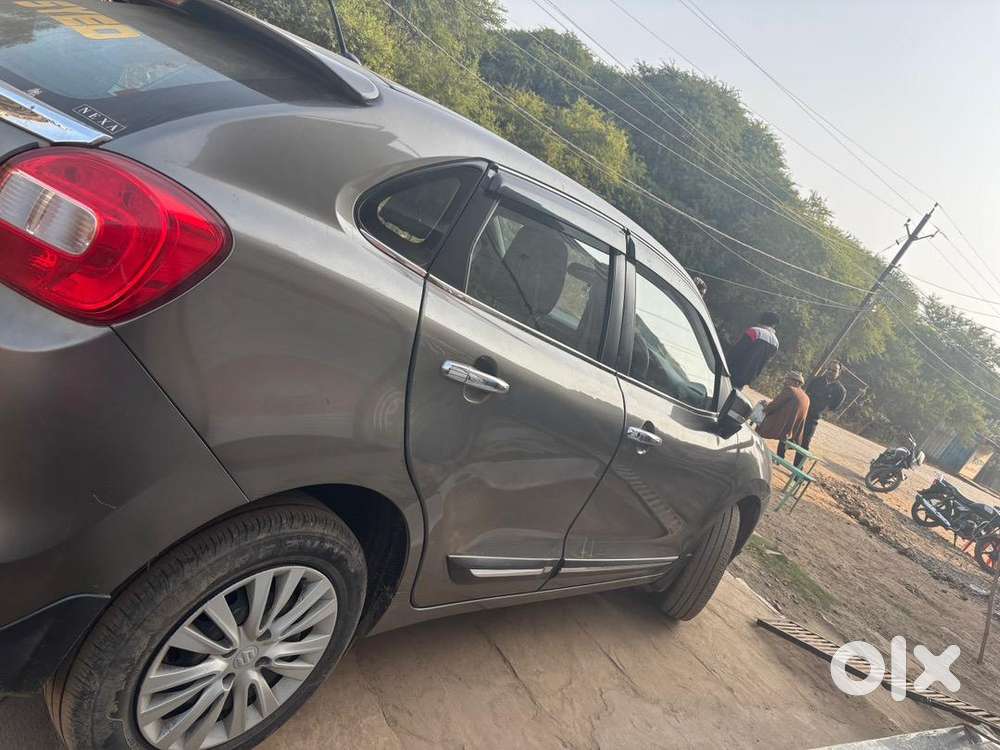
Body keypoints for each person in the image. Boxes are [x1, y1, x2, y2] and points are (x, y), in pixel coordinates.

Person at [797, 361, 848, 466]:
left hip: (813, 419)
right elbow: (805, 394)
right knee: (788, 433)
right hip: (801, 413)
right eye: (829, 369)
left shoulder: (840, 390)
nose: (830, 372)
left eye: (834, 370)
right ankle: (779, 457)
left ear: (839, 373)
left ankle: (796, 471)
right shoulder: (816, 380)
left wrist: (819, 411)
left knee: (804, 443)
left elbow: (833, 407)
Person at [757, 371, 810, 460]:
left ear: (796, 382)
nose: (785, 382)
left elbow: (774, 405)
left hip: (781, 428)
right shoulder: (806, 397)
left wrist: (765, 406)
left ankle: (755, 446)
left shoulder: (790, 390)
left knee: (758, 423)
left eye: (788, 379)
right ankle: (780, 457)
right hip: (793, 432)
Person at [728, 312, 779, 389]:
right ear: (774, 325)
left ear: (761, 320)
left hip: (732, 373)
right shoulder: (776, 343)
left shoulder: (755, 331)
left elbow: (736, 351)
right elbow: (766, 361)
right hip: (747, 379)